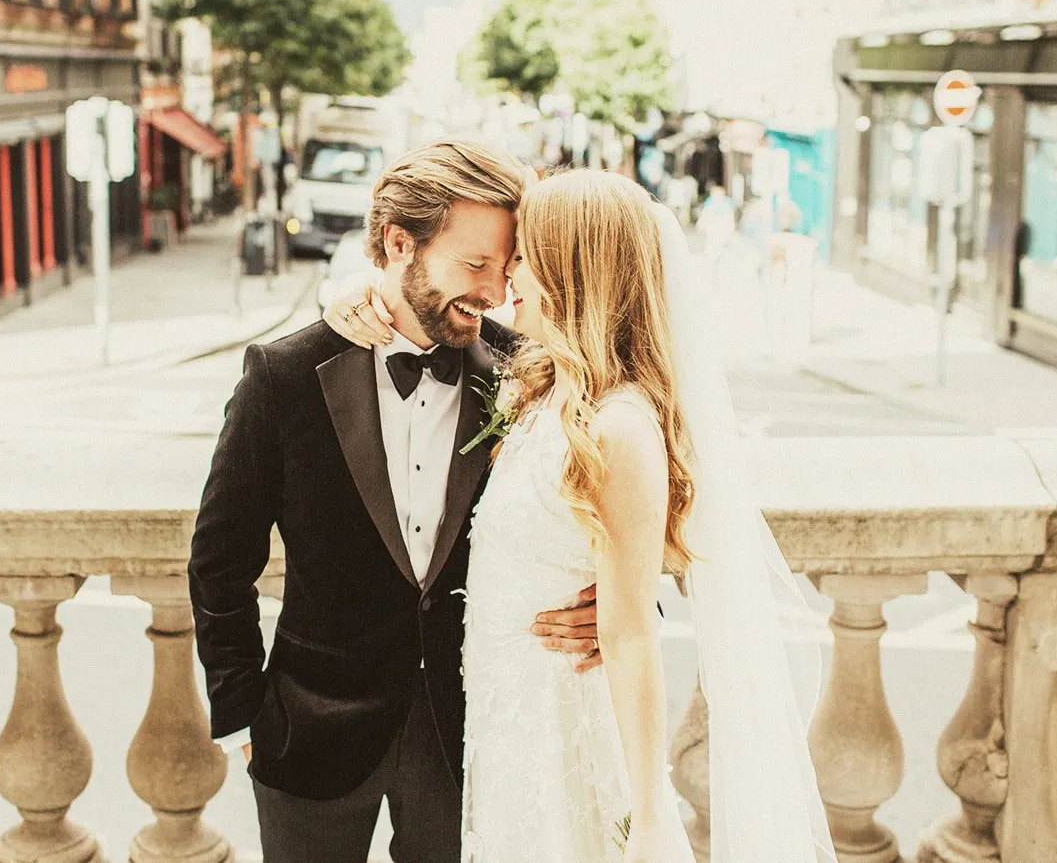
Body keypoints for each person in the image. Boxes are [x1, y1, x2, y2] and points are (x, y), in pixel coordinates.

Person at [327, 171, 835, 863]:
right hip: (503, 735)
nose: (507, 276)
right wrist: (350, 293)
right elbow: (413, 312)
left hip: (561, 734)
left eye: (524, 257)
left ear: (574, 270)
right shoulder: (537, 384)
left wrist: (652, 812)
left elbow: (629, 638)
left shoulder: (619, 425)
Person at [190, 140, 602, 863]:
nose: (497, 291)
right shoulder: (283, 375)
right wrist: (241, 712)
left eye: (506, 268)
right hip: (308, 731)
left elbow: (591, 514)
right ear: (397, 242)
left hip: (466, 731)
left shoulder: (523, 371)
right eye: (474, 265)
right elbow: (220, 559)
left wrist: (616, 606)